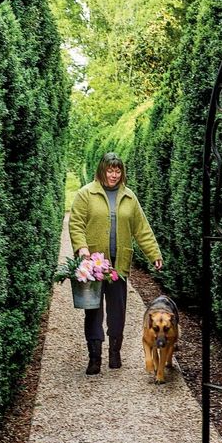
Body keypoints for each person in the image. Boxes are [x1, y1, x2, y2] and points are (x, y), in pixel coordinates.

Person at [69, 152, 163, 375]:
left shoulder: (129, 197)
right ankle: (94, 357)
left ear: (122, 172)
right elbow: (76, 223)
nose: (114, 174)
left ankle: (114, 352)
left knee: (117, 312)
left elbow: (142, 229)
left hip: (118, 265)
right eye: (110, 170)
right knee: (93, 311)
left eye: (118, 170)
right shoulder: (86, 194)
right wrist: (81, 247)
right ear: (102, 170)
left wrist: (154, 254)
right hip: (93, 266)